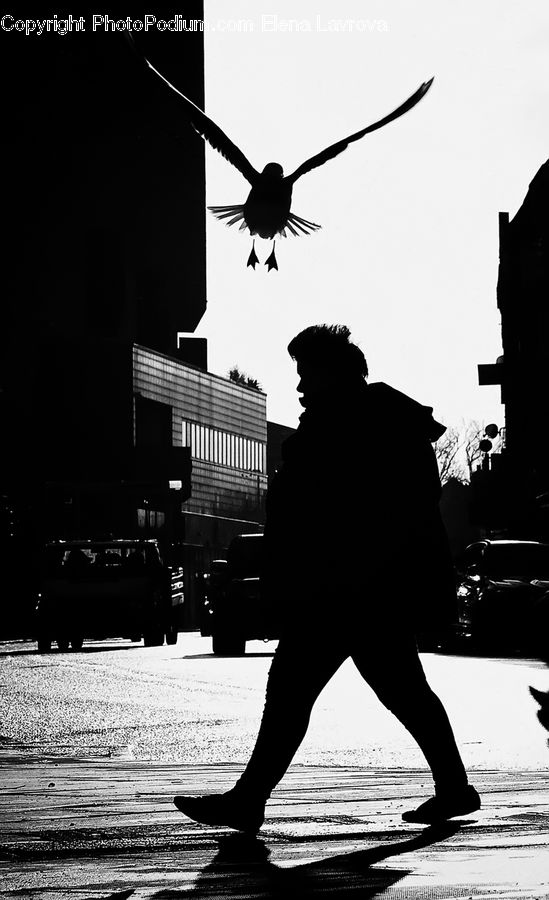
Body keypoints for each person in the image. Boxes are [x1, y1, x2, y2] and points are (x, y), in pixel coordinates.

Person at [174, 324, 480, 833]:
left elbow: (335, 513)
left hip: (344, 588)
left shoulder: (350, 425)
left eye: (305, 373)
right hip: (362, 589)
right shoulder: (377, 420)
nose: (299, 386)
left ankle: (250, 799)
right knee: (400, 691)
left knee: (297, 689)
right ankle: (452, 787)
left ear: (332, 373)